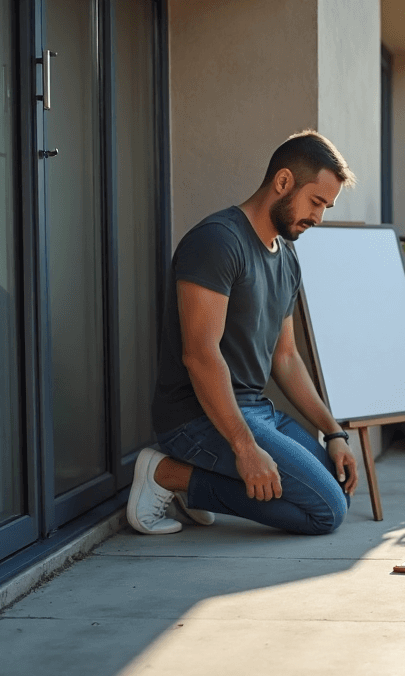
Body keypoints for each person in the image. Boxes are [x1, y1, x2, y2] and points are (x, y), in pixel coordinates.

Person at [126, 130, 359, 536]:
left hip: (256, 409)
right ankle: (169, 474)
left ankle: (193, 481)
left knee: (337, 488)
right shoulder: (217, 241)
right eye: (316, 202)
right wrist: (245, 447)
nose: (319, 218)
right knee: (326, 512)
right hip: (196, 417)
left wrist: (334, 431)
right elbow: (200, 354)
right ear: (283, 182)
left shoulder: (286, 258)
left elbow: (285, 358)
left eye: (326, 206)